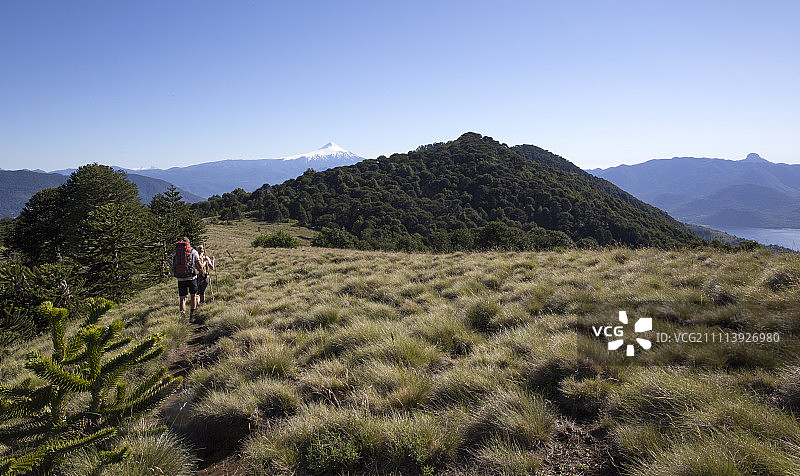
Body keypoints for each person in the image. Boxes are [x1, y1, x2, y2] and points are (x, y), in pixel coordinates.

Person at [174, 237, 201, 321]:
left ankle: (183, 317)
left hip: (180, 278)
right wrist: (203, 266)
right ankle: (192, 315)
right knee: (193, 296)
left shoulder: (176, 254)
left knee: (182, 298)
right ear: (188, 243)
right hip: (191, 277)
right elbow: (199, 266)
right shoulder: (194, 252)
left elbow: (172, 267)